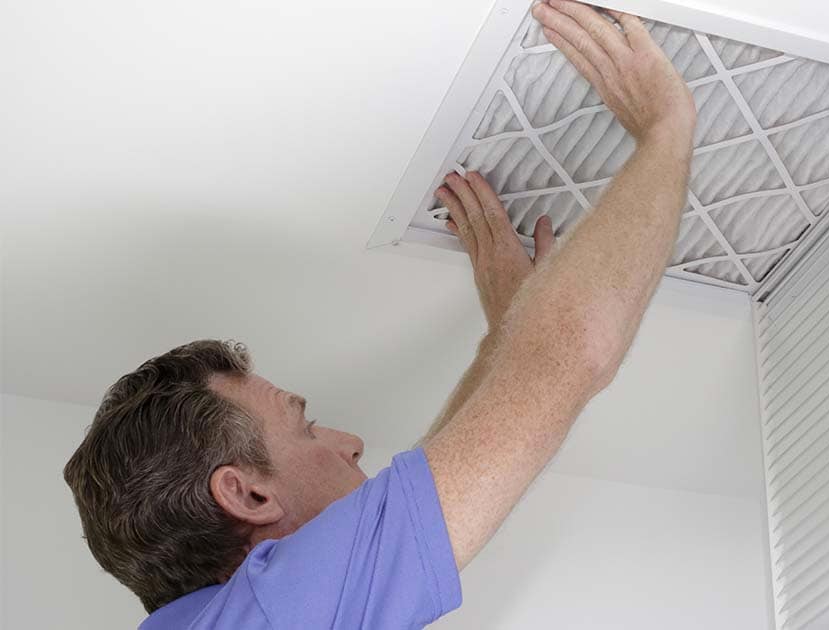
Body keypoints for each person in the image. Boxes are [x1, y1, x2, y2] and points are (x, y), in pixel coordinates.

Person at [62, 1, 697, 628]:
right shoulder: (272, 615)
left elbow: (418, 499)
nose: (353, 444)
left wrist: (511, 337)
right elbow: (566, 360)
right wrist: (664, 129)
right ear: (247, 494)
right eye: (306, 428)